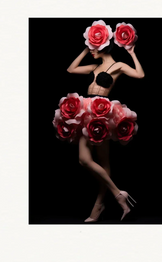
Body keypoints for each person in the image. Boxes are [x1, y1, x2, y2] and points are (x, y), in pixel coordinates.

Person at [53, 20, 145, 222]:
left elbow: (140, 74)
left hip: (103, 112)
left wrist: (131, 53)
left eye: (93, 47)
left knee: (103, 161)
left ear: (104, 46)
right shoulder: (94, 66)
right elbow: (71, 69)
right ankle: (118, 194)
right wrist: (86, 50)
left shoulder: (118, 65)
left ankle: (98, 206)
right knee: (85, 160)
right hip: (87, 110)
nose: (91, 50)